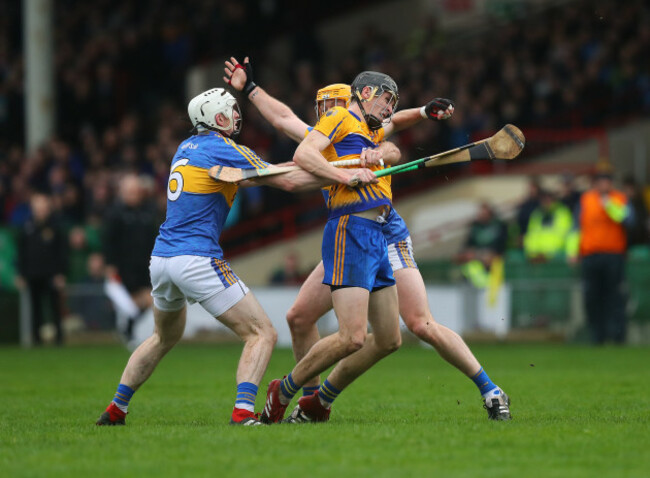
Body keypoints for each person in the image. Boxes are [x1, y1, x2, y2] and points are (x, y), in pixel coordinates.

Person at [225, 57, 510, 422]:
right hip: (351, 228)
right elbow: (283, 120)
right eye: (323, 107)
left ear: (354, 98)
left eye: (334, 104)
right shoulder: (330, 131)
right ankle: (311, 401)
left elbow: (392, 129)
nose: (326, 112)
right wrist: (249, 88)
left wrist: (415, 119)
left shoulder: (366, 127)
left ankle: (313, 398)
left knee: (407, 327)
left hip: (384, 229)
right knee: (302, 318)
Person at [96, 87, 376, 426]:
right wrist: (345, 177)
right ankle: (243, 413)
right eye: (230, 110)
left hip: (162, 261)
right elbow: (287, 182)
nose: (236, 116)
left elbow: (274, 172)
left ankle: (116, 409)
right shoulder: (224, 148)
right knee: (262, 333)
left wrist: (329, 168)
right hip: (196, 260)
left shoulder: (186, 148)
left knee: (162, 337)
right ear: (216, 118)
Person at [568, 170, 633, 344]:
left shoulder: (619, 198)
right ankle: (597, 336)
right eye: (601, 181)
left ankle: (617, 336)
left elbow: (628, 220)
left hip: (613, 256)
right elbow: (576, 228)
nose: (604, 184)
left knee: (615, 296)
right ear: (596, 183)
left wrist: (609, 205)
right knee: (592, 297)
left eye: (607, 181)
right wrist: (573, 252)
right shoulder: (585, 200)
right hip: (591, 256)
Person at [103, 173, 159, 340]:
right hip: (124, 266)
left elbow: (154, 237)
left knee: (148, 301)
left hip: (145, 264)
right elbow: (108, 241)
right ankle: (127, 328)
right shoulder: (115, 214)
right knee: (130, 301)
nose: (133, 195)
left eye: (136, 191)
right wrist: (110, 264)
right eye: (129, 191)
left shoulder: (148, 212)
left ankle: (129, 327)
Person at [16, 193, 68, 345]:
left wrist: (61, 273)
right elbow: (21, 252)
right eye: (38, 208)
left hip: (52, 274)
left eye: (43, 207)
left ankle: (59, 339)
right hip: (33, 274)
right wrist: (21, 274)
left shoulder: (56, 227)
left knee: (54, 308)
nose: (41, 211)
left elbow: (62, 252)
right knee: (35, 309)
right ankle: (36, 339)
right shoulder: (26, 227)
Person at [523, 189, 573, 262]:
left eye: (548, 199)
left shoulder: (563, 214)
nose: (546, 202)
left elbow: (568, 235)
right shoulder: (537, 215)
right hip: (538, 259)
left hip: (558, 257)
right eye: (543, 200)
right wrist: (533, 254)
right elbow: (531, 235)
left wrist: (571, 253)